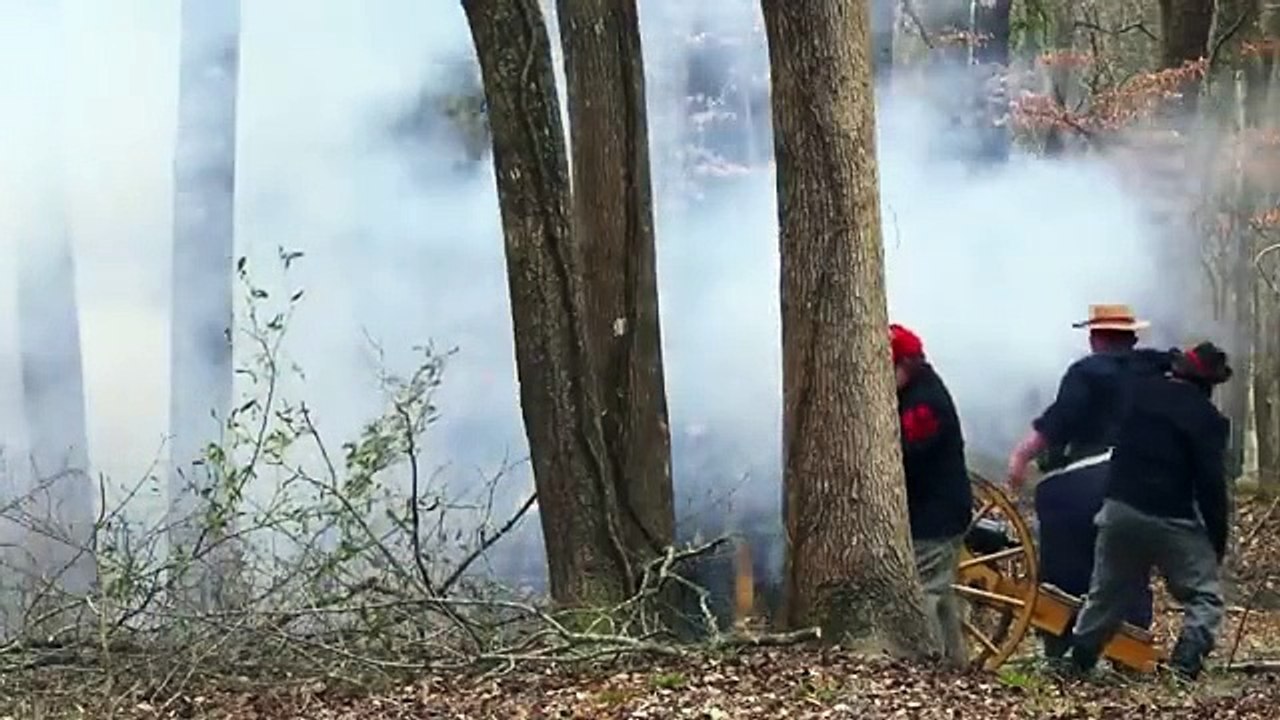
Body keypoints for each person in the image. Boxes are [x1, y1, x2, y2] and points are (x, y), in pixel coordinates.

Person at [1005, 304, 1170, 657]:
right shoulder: (1157, 371)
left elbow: (1058, 422)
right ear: (1131, 338)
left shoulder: (1086, 372)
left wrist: (1021, 456)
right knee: (1131, 560)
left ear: (1096, 338)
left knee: (1061, 526)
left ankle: (1061, 636)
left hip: (1091, 476)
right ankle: (1134, 636)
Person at [1069, 342, 1232, 679]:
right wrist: (1216, 542)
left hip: (1119, 509)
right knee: (1204, 597)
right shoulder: (1207, 418)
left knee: (1106, 596)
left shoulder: (1140, 392)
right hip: (1171, 518)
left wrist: (1167, 357)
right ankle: (1183, 669)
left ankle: (1077, 663)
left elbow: (1133, 359)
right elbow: (1211, 487)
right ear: (1209, 384)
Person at [891, 323, 972, 667]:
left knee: (923, 590)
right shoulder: (919, 392)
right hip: (936, 507)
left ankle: (926, 666)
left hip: (934, 513)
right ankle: (954, 662)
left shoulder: (924, 404)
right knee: (941, 593)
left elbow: (909, 456)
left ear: (905, 365)